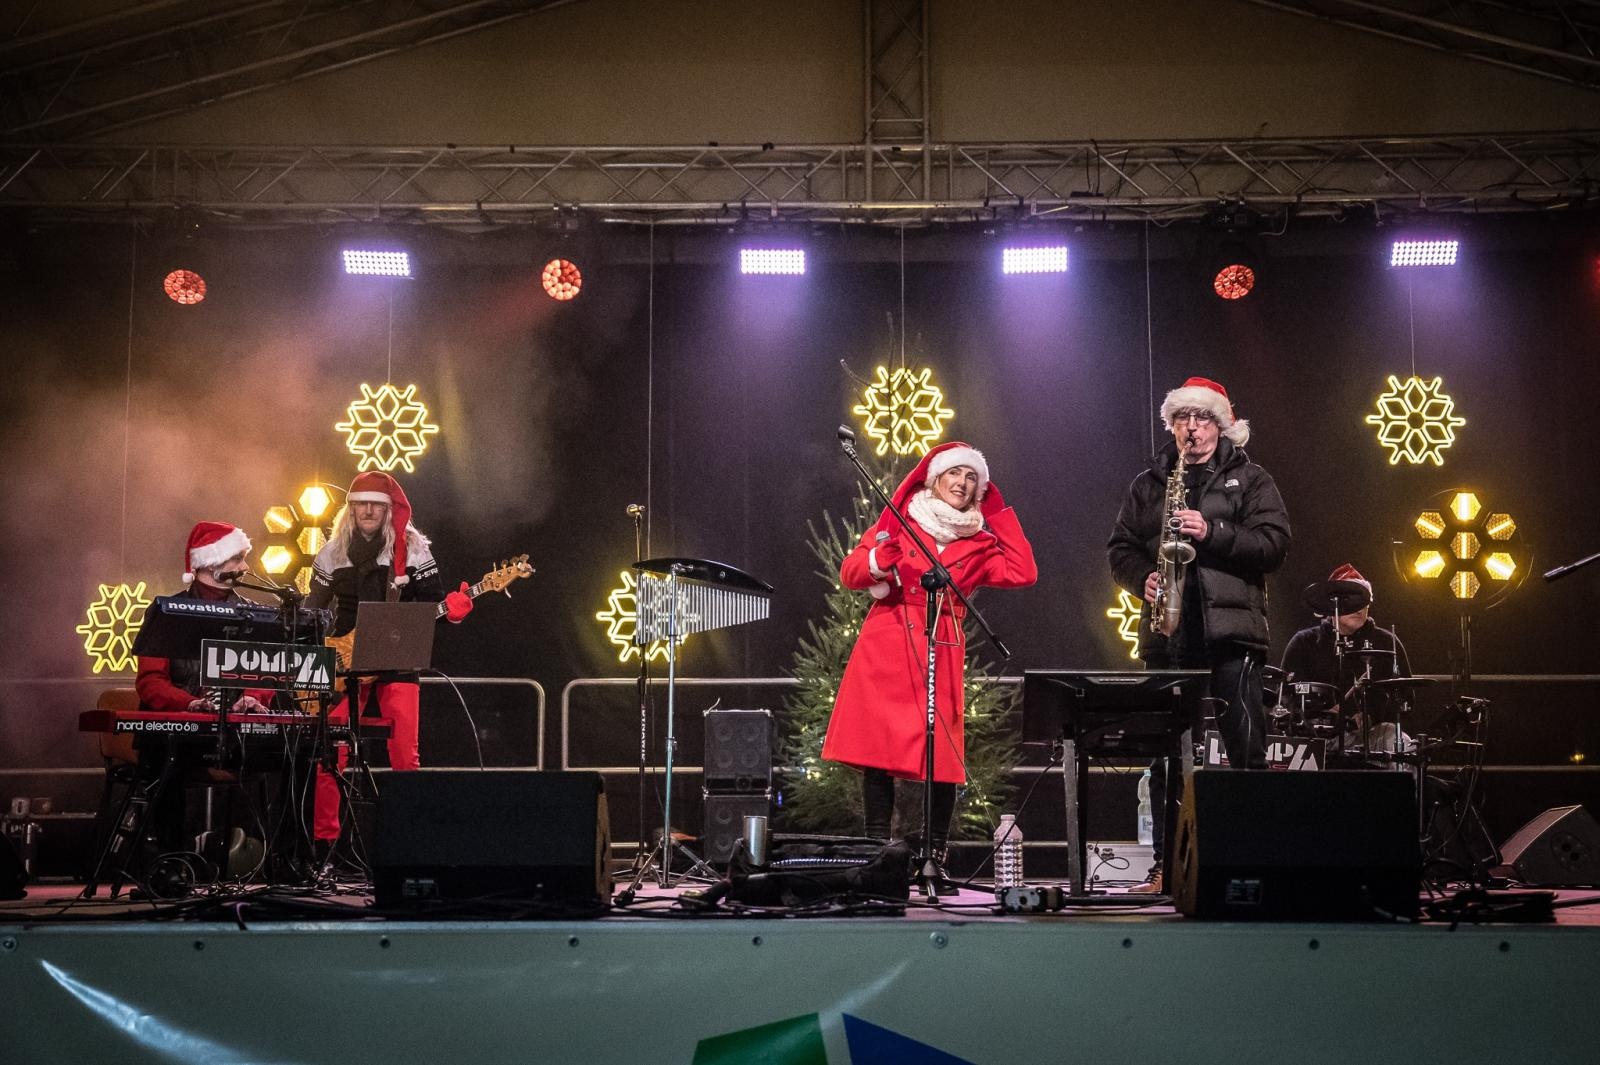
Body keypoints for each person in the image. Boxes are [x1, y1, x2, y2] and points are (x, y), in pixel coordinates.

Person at [822, 442, 1037, 890]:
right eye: (953, 474)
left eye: (971, 478)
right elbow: (852, 570)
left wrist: (995, 511)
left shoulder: (979, 541)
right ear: (933, 480)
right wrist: (880, 561)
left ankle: (933, 857)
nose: (962, 484)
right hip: (889, 640)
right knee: (876, 752)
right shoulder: (902, 523)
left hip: (942, 644)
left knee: (942, 756)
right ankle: (874, 852)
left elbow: (1023, 571)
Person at [1108, 376, 1291, 893]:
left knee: (1246, 752)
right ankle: (1169, 867)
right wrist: (1138, 576)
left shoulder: (1252, 479)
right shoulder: (1150, 483)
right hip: (1169, 633)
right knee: (1166, 756)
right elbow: (1119, 548)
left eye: (1203, 417)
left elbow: (1275, 545)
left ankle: (1258, 864)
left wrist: (1213, 532)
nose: (1192, 428)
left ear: (1223, 424)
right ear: (1172, 425)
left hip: (1233, 635)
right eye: (1183, 418)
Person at [305, 472, 472, 852]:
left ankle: (409, 844)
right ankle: (323, 848)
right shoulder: (333, 552)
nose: (367, 510)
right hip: (345, 661)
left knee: (404, 754)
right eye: (361, 503)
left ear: (388, 509)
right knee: (330, 754)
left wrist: (456, 610)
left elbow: (433, 605)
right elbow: (312, 611)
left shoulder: (413, 549)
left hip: (397, 656)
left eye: (376, 505)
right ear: (350, 509)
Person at [132, 521, 275, 854]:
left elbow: (266, 675)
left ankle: (286, 863)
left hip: (233, 733)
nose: (245, 567)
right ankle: (170, 862)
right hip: (177, 732)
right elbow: (149, 683)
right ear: (211, 563)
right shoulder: (167, 612)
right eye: (237, 559)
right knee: (167, 762)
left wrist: (252, 699)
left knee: (295, 756)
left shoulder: (253, 615)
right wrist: (190, 704)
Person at [1282, 563, 1413, 755]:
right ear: (1331, 604)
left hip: (1369, 735)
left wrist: (1371, 716)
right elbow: (1285, 696)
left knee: (1398, 740)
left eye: (1363, 600)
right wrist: (1321, 715)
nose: (1358, 608)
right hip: (1314, 736)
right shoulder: (1303, 642)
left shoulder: (1386, 642)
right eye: (1350, 600)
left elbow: (1406, 698)